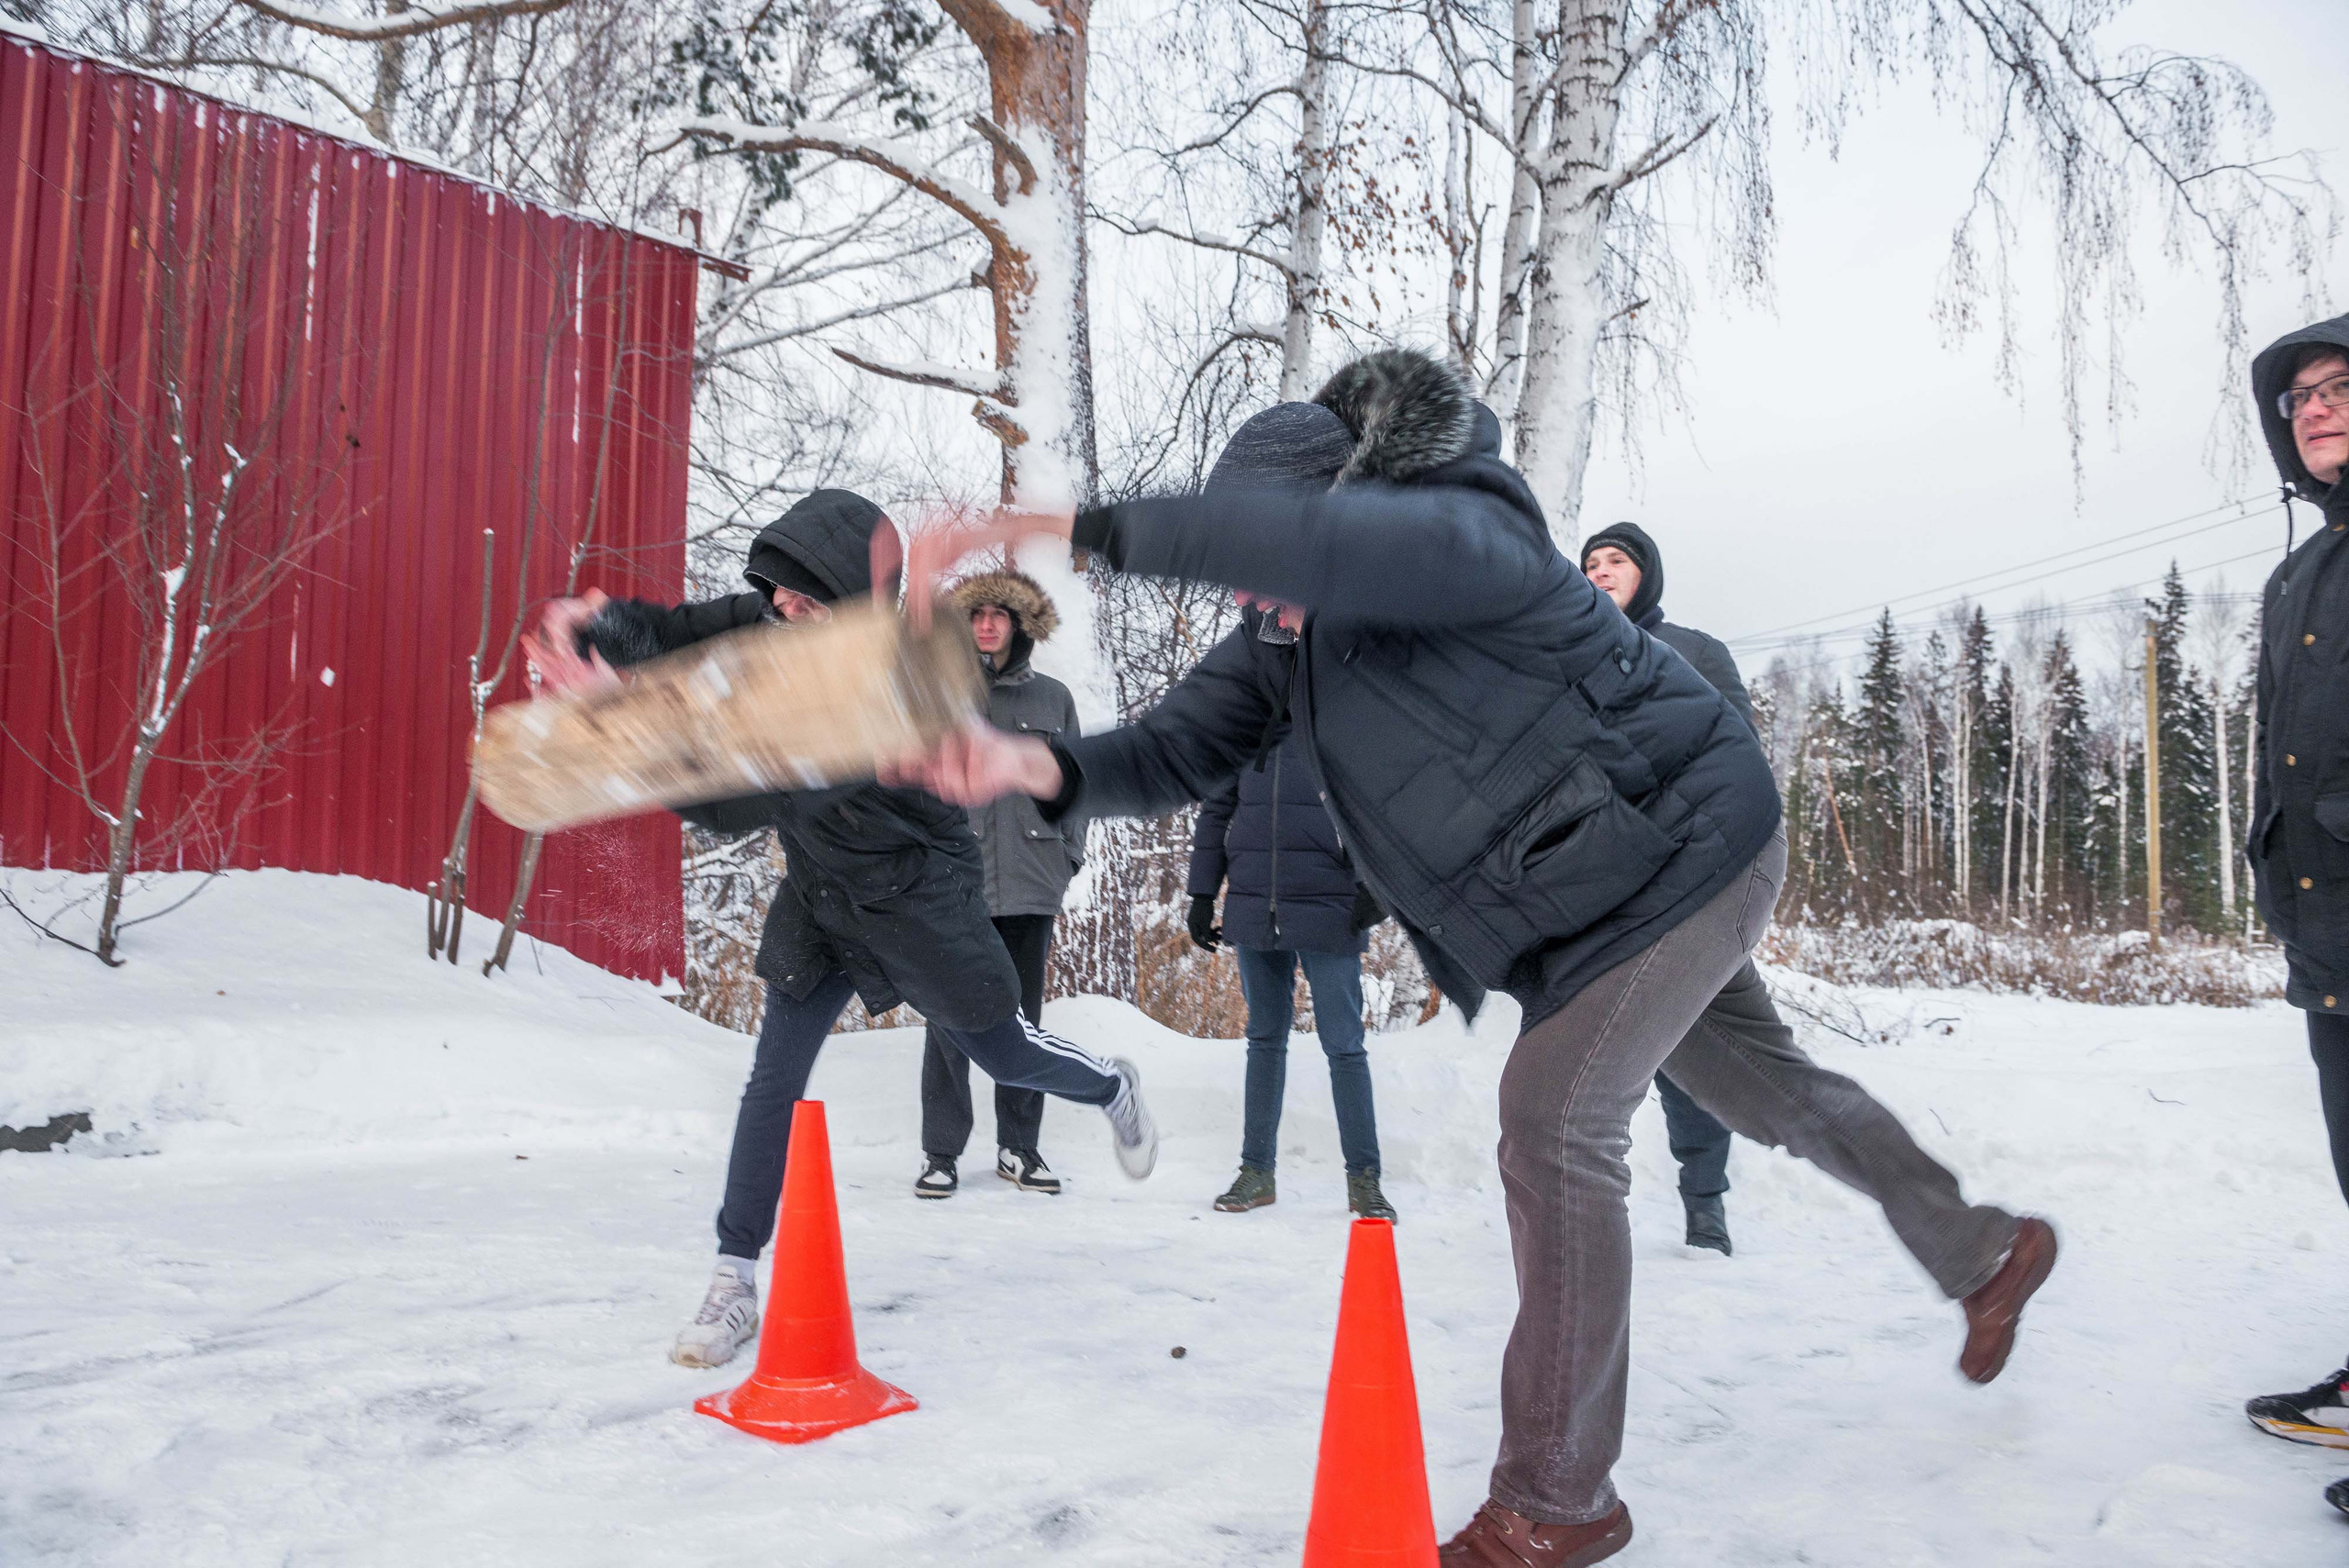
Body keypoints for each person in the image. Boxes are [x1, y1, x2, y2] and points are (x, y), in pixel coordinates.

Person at [884, 347, 2057, 1567]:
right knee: (1772, 1091)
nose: (1248, 595)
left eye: (1262, 556)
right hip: (1594, 905)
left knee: (1553, 1117)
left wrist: (1072, 527)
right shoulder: (1287, 640)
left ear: (1328, 519)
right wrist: (1037, 766)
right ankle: (1985, 1251)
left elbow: (1336, 550)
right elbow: (1181, 745)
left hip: (1691, 842)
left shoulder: (1465, 534)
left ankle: (1558, 1499)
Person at [524, 490, 1158, 1373]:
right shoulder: (773, 623)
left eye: (808, 598)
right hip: (823, 894)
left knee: (1006, 1052)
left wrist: (621, 725)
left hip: (922, 901)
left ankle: (1110, 1085)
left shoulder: (885, 685)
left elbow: (741, 802)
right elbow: (673, 634)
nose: (784, 607)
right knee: (773, 1079)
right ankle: (734, 1276)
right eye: (779, 591)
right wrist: (596, 631)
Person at [2240, 313, 2349, 1519]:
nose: (2312, 407)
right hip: (2329, 925)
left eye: (2338, 386)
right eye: (2297, 397)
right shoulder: (2302, 571)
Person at [1582, 522, 1745, 1256]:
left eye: (1616, 560)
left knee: (1692, 1043)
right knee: (1593, 1050)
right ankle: (1588, 1209)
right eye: (1590, 563)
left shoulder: (1697, 651)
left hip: (1688, 879)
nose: (1600, 571)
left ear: (1645, 571)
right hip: (1599, 887)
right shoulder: (1567, 660)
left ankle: (1706, 1203)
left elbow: (1740, 758)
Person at [915, 568, 1086, 1199]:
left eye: (999, 616)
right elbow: (913, 784)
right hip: (953, 886)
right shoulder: (939, 695)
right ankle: (941, 1153)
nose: (987, 625)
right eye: (977, 615)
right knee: (948, 1019)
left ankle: (1019, 1146)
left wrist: (1068, 858)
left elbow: (1077, 785)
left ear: (1019, 626)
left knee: (1022, 1021)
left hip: (1031, 882)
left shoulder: (1053, 699)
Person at [1187, 706, 1396, 1221]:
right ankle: (1256, 1171)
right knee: (1264, 1039)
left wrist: (1375, 886)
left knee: (1344, 1044)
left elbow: (1376, 805)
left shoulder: (1342, 716)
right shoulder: (1242, 722)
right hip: (1255, 903)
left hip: (1331, 905)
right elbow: (1217, 809)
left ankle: (1364, 1180)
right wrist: (1202, 893)